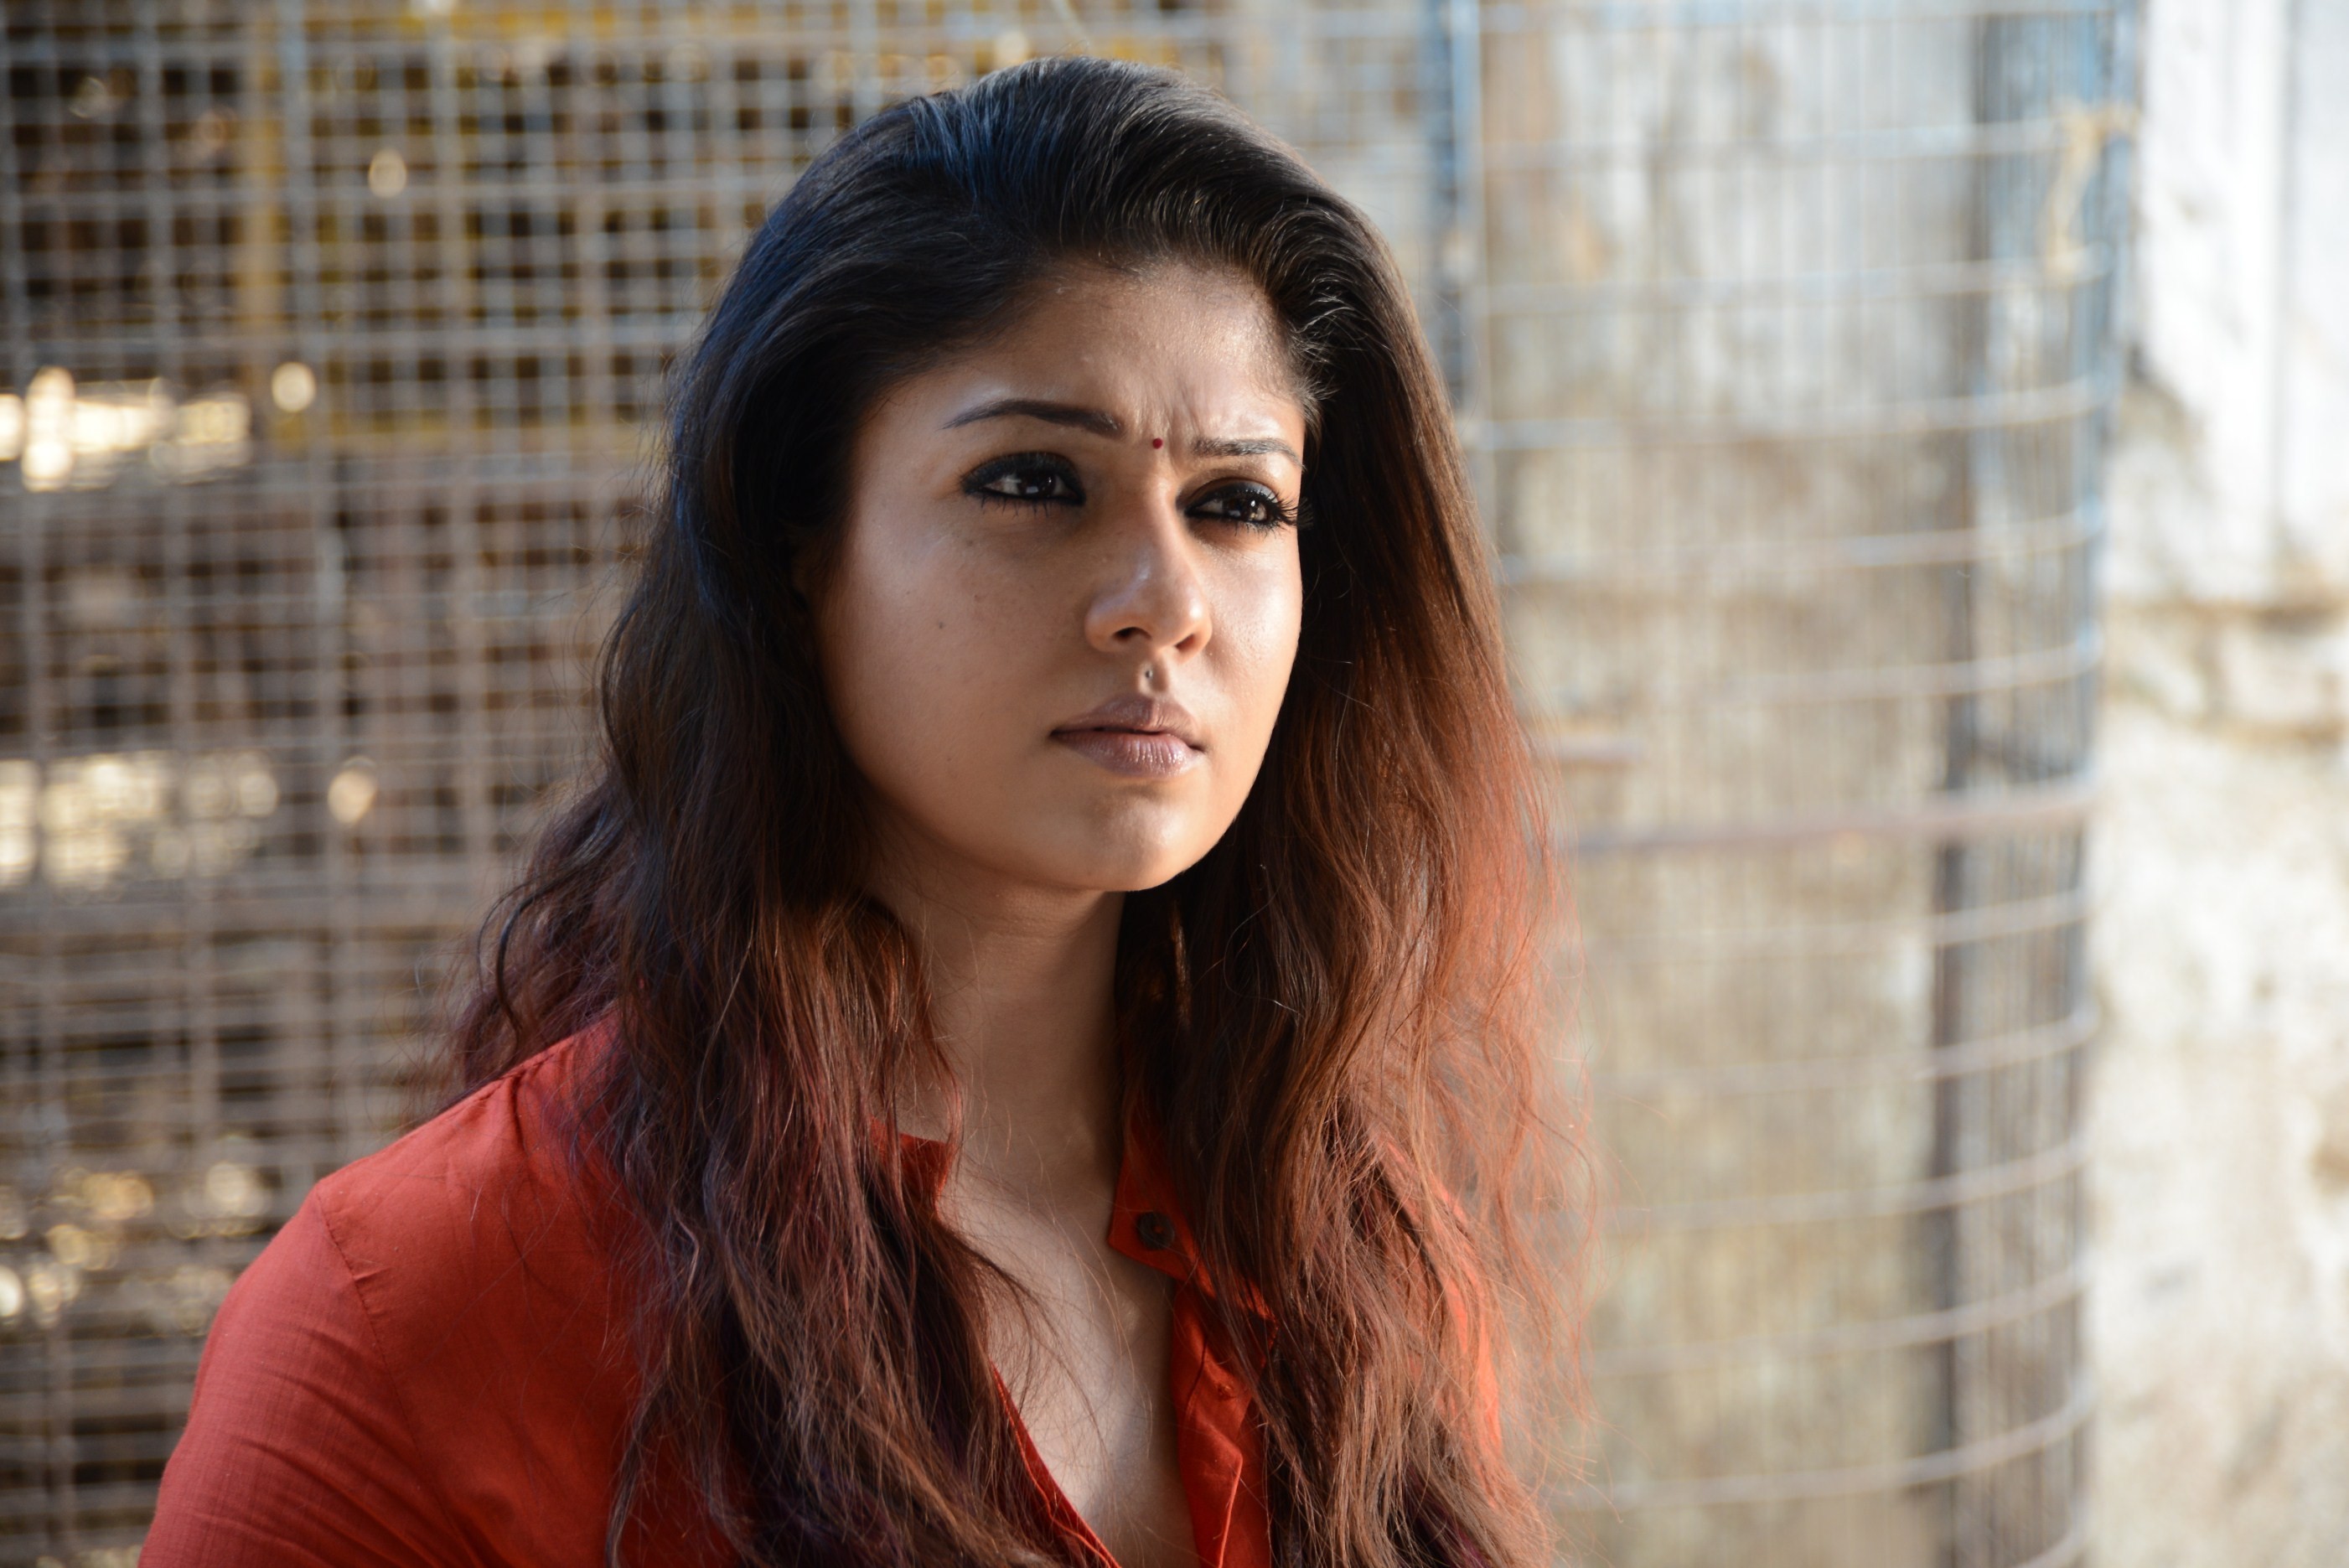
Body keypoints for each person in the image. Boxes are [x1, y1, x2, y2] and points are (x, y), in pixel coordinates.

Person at [143, 55, 1566, 1568]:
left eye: (1238, 504)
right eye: (1035, 481)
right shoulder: (411, 1325)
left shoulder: (1358, 1272)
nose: (1166, 601)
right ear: (797, 545)